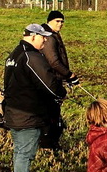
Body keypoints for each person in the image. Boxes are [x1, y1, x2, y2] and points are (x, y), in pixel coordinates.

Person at [4, 24, 67, 172]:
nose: (45, 40)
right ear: (32, 36)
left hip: (13, 111)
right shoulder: (31, 57)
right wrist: (61, 92)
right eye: (42, 37)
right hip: (28, 113)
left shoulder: (13, 55)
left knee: (19, 149)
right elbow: (49, 84)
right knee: (26, 151)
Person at [40, 10, 79, 150]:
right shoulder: (49, 37)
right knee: (52, 113)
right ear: (49, 21)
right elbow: (54, 62)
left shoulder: (52, 34)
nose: (60, 24)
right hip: (50, 80)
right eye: (57, 21)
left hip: (53, 79)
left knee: (53, 113)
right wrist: (69, 75)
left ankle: (50, 142)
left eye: (62, 21)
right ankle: (48, 143)